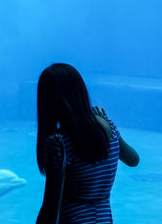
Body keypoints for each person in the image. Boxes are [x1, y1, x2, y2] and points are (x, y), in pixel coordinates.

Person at [36, 63, 139, 224]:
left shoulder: (58, 142)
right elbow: (134, 160)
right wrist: (104, 123)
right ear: (80, 92)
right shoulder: (108, 125)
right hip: (104, 218)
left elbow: (51, 205)